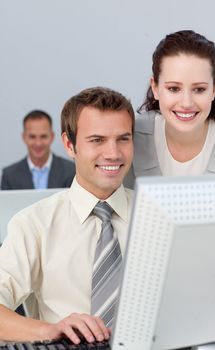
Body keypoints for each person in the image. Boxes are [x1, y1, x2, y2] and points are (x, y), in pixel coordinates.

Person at [0, 87, 134, 344]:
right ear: (69, 144)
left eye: (123, 139)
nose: (113, 153)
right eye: (97, 140)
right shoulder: (33, 224)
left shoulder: (159, 216)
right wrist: (49, 331)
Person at [124, 30, 215, 189]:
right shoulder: (128, 139)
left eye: (199, 89)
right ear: (155, 87)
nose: (186, 103)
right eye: (174, 89)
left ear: (214, 90)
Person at [1, 110, 75, 190]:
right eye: (32, 137)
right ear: (24, 137)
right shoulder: (9, 175)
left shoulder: (71, 171)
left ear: (52, 137)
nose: (38, 143)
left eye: (43, 136)